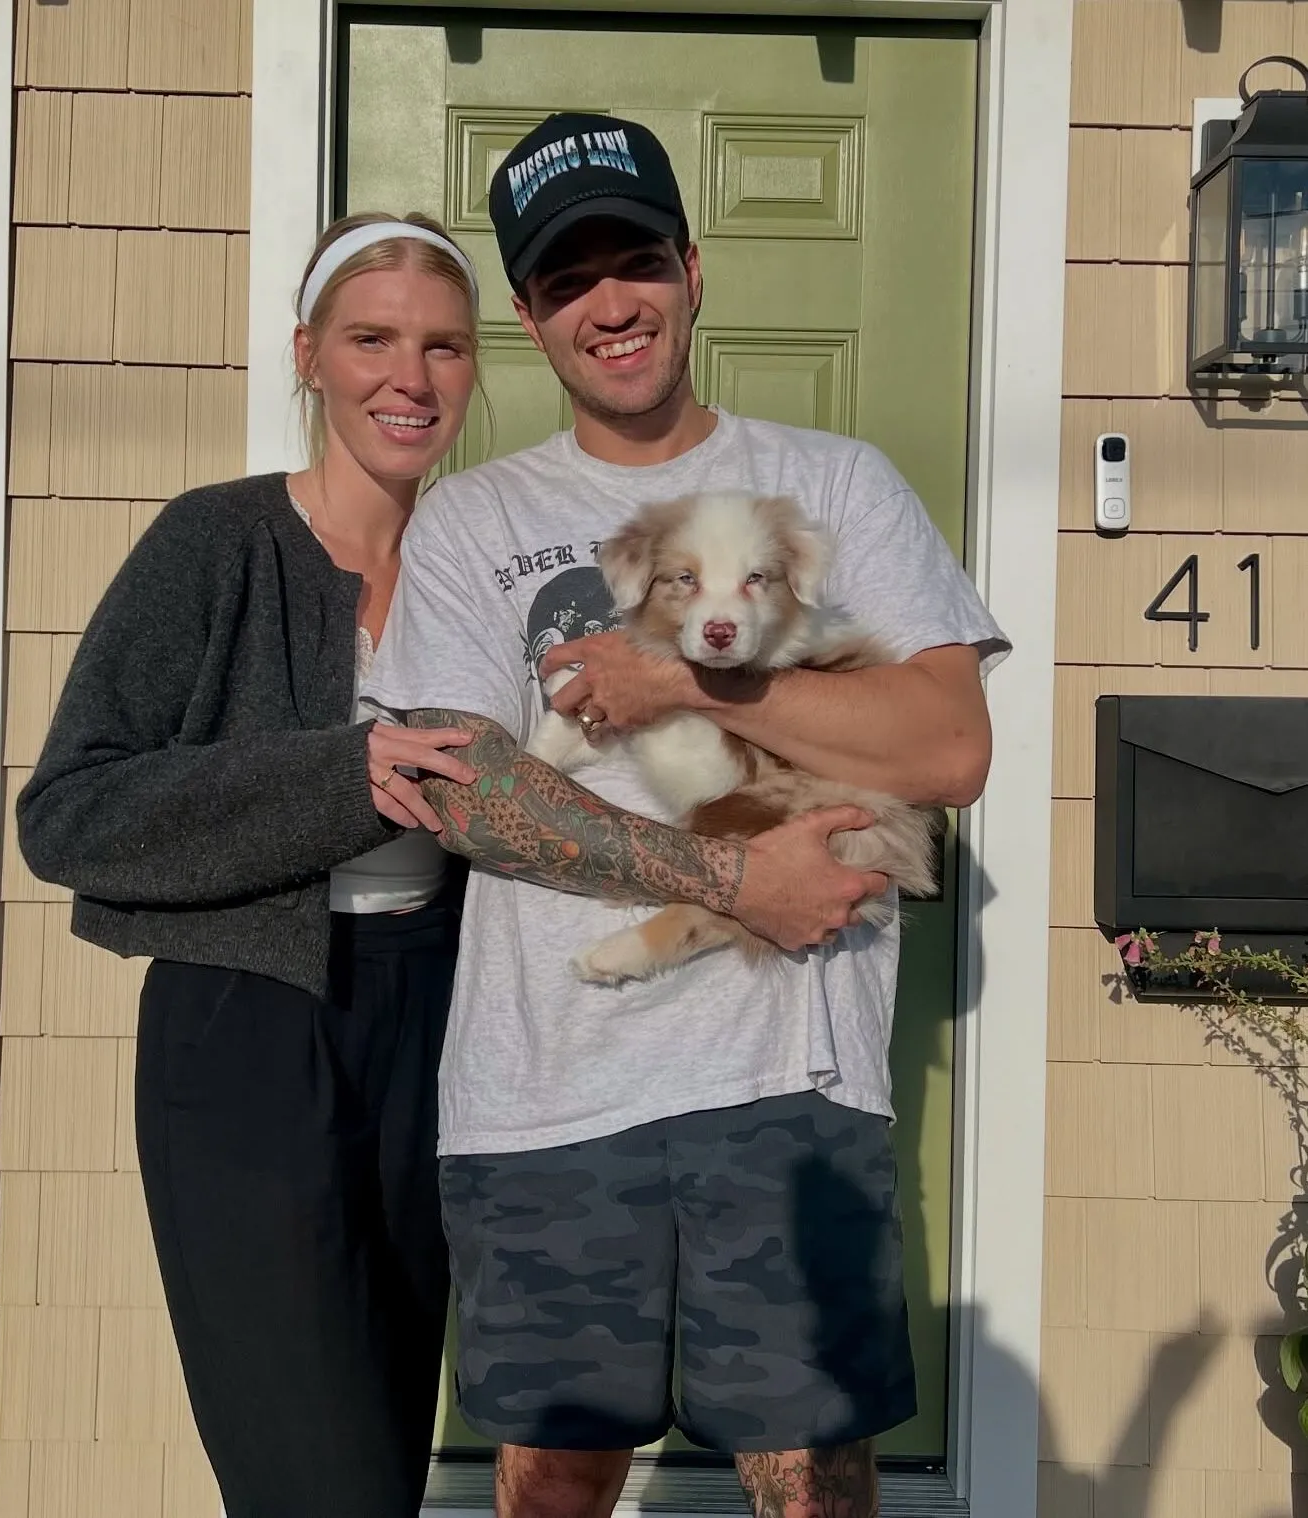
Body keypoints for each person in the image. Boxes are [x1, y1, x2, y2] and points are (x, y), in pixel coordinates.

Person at [362, 115, 1012, 1518]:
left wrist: (690, 677)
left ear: (692, 269)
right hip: (542, 1085)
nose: (610, 302)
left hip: (784, 1084)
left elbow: (947, 745)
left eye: (635, 258)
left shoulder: (833, 485)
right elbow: (463, 786)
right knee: (550, 1481)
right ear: (532, 316)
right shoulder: (477, 523)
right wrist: (728, 878)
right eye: (564, 279)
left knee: (811, 1484)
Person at [15, 212, 489, 1518]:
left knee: (387, 1460)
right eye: (372, 339)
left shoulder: (478, 560)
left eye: (443, 344)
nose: (411, 376)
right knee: (314, 1480)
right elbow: (68, 808)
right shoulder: (213, 541)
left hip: (440, 1029)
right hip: (244, 1030)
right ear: (308, 356)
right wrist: (336, 777)